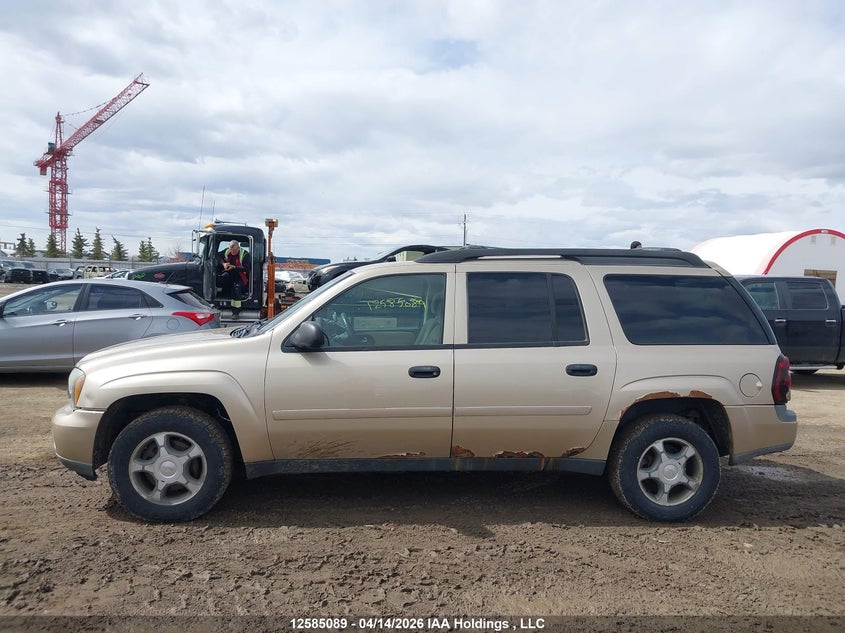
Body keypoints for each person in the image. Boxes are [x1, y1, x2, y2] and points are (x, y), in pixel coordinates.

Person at [219, 240, 250, 318]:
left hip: (240, 277)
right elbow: (217, 256)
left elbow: (246, 268)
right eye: (231, 250)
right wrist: (223, 264)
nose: (232, 252)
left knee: (236, 289)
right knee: (220, 280)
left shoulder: (245, 254)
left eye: (234, 251)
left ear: (238, 248)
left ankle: (236, 311)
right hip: (229, 275)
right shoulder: (227, 251)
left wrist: (234, 267)